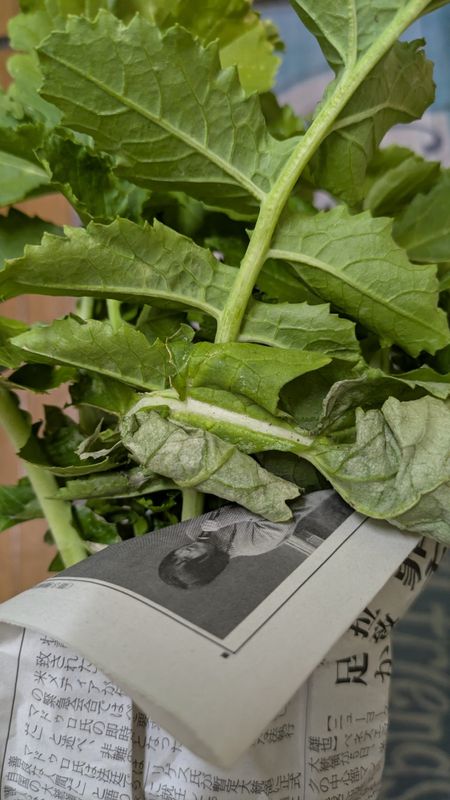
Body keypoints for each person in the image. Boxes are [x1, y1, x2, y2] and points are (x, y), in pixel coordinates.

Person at [158, 489, 338, 589]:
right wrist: (226, 520)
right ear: (209, 564)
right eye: (188, 560)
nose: (185, 551)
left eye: (176, 556)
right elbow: (281, 517)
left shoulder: (193, 529)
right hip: (307, 493)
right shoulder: (253, 546)